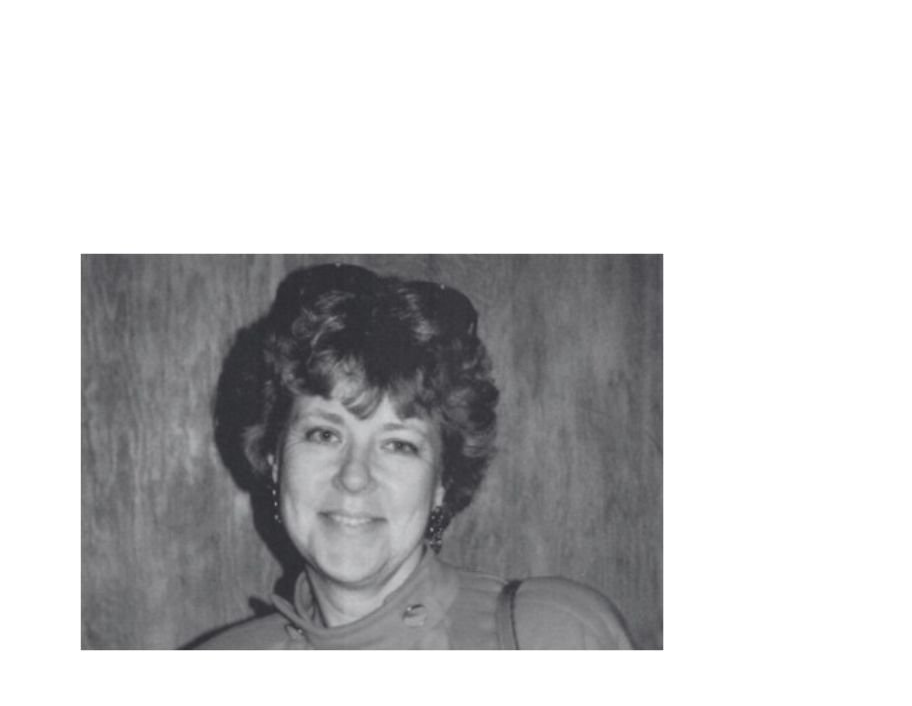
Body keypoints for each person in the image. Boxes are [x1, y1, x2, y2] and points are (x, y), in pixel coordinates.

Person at [197, 263, 633, 650]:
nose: (354, 476)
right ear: (275, 459)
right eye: (324, 434)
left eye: (398, 444)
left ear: (442, 480)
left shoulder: (556, 637)